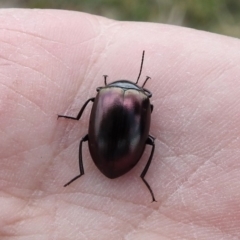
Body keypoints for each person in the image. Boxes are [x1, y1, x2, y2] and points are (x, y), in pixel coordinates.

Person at [1, 8, 240, 239]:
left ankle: (81, 173)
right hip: (125, 151)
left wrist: (77, 115)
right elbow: (150, 111)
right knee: (152, 143)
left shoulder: (103, 95)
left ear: (105, 88)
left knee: (86, 140)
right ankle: (141, 177)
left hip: (104, 148)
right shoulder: (144, 100)